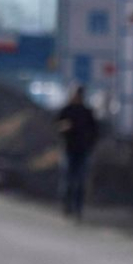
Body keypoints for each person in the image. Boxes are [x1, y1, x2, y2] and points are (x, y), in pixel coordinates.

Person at [56, 85, 99, 220]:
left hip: (83, 151)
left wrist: (90, 144)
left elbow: (95, 131)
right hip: (69, 149)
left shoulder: (87, 112)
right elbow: (57, 126)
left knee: (80, 182)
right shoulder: (66, 111)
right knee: (68, 180)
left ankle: (78, 209)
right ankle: (67, 206)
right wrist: (64, 128)